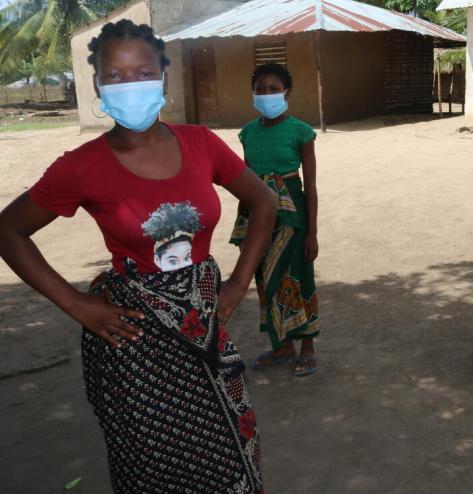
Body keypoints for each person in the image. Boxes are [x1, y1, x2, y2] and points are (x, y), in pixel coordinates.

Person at [0, 20, 277, 493]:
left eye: (143, 72)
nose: (131, 85)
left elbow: (265, 201)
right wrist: (77, 304)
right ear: (99, 86)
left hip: (206, 326)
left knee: (228, 451)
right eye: (116, 75)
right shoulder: (81, 166)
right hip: (134, 344)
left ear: (164, 80)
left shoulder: (201, 143)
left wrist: (237, 284)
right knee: (153, 467)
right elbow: (8, 229)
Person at [230, 63, 320, 377]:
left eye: (273, 88)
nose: (266, 94)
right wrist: (244, 225)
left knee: (298, 276)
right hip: (257, 214)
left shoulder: (301, 131)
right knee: (266, 279)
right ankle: (281, 345)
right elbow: (245, 179)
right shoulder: (248, 133)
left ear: (287, 92)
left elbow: (310, 187)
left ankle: (307, 345)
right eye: (260, 89)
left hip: (292, 213)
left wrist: (312, 233)